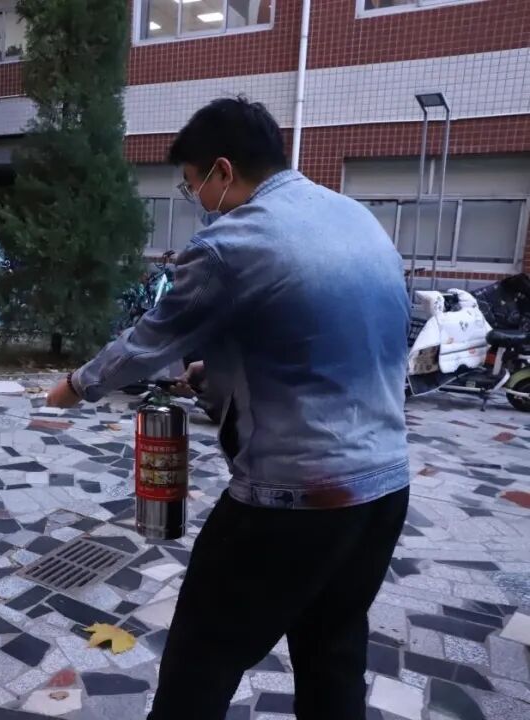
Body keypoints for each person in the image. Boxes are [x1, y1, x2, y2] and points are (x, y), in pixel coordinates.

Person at [47, 97, 410, 719]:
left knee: (200, 663)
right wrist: (212, 376)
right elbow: (327, 337)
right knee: (332, 655)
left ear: (222, 170)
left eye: (192, 185)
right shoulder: (356, 218)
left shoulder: (232, 241)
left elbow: (147, 343)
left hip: (293, 499)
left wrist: (75, 386)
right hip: (383, 491)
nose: (197, 200)